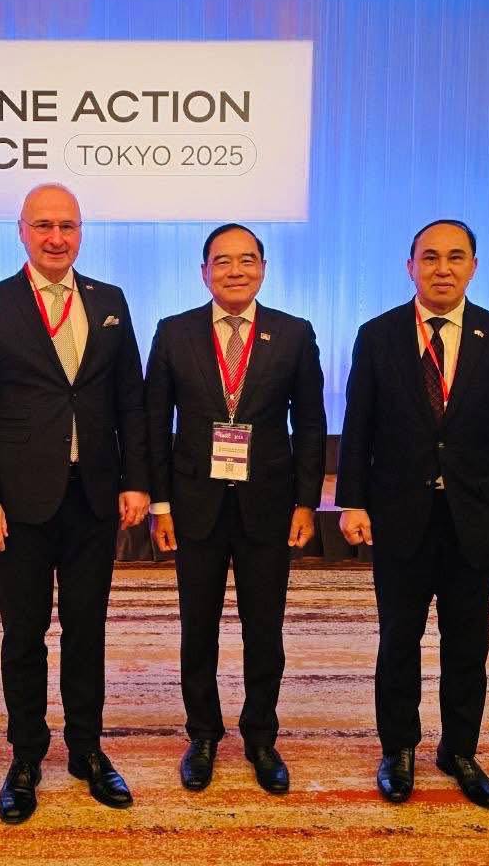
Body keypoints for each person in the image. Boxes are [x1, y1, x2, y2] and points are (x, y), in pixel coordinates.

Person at [0, 183, 151, 824]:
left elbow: (130, 401)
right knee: (24, 633)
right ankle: (25, 756)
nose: (56, 237)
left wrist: (136, 480)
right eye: (43, 225)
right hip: (19, 502)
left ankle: (87, 749)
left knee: (87, 629)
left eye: (67, 225)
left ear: (81, 232)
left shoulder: (110, 300)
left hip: (93, 496)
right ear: (22, 231)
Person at [335, 219, 489, 810]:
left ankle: (460, 750)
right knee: (399, 639)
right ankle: (398, 748)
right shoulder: (377, 335)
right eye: (430, 257)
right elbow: (358, 426)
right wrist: (352, 501)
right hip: (399, 515)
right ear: (411, 267)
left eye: (455, 257)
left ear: (474, 266)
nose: (442, 268)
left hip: (475, 519)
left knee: (468, 644)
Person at [144, 223, 325, 795]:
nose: (235, 271)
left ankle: (261, 736)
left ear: (263, 269)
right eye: (222, 261)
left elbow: (311, 424)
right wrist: (160, 504)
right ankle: (202, 734)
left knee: (264, 628)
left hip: (267, 505)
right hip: (194, 504)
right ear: (204, 272)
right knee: (197, 627)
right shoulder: (173, 332)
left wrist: (306, 501)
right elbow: (154, 426)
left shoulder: (293, 334)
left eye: (247, 260)